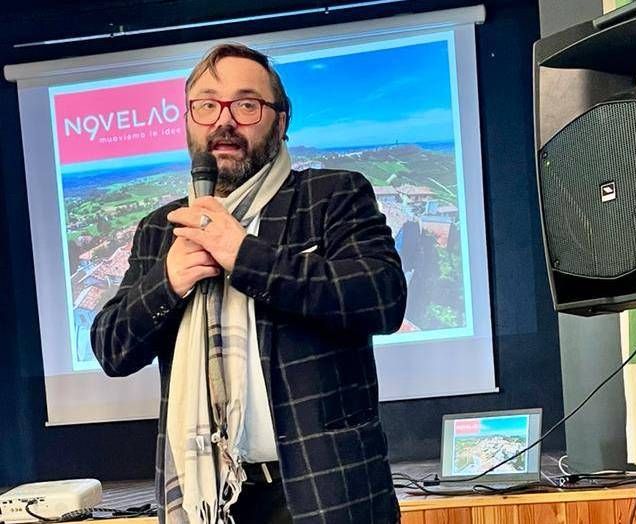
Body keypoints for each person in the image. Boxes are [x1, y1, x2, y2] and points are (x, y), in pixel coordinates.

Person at [91, 43, 407, 524]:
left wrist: (244, 256)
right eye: (206, 105)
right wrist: (168, 281)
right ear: (188, 121)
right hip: (207, 500)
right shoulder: (161, 229)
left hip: (326, 494)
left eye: (246, 104)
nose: (224, 121)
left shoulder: (333, 196)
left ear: (280, 121)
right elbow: (112, 349)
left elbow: (382, 297)